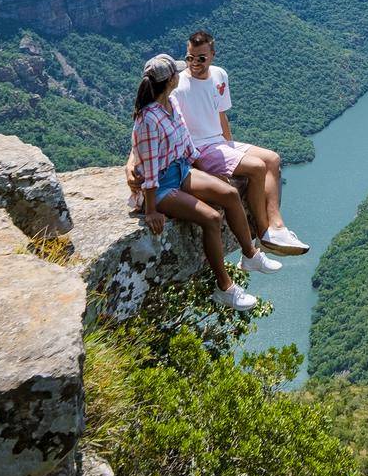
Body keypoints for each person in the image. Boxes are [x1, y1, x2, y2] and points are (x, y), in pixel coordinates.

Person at [127, 30, 309, 257]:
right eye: (189, 58)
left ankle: (277, 225)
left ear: (212, 55)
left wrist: (231, 152)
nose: (194, 63)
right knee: (257, 168)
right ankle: (264, 234)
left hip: (220, 144)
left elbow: (221, 116)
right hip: (201, 149)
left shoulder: (220, 75)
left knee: (272, 158)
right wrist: (132, 161)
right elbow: (148, 133)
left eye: (201, 58)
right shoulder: (178, 87)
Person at [131, 52, 282, 311]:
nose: (181, 75)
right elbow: (151, 166)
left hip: (182, 171)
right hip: (162, 187)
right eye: (177, 73)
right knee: (211, 218)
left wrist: (208, 172)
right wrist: (151, 209)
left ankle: (251, 256)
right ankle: (225, 288)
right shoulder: (148, 119)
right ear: (169, 81)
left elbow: (186, 145)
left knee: (230, 194)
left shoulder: (171, 104)